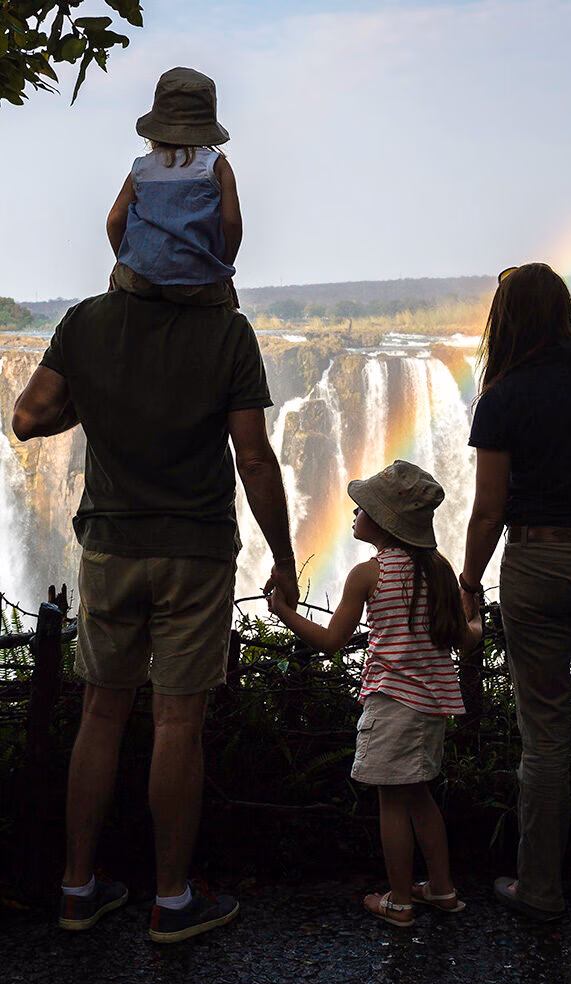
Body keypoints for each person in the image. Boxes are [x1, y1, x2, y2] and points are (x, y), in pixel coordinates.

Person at [12, 288, 298, 942]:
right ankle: (172, 902)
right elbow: (252, 458)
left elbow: (27, 419)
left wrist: (89, 400)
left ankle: (77, 890)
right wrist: (282, 556)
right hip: (195, 552)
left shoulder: (86, 322)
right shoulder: (228, 332)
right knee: (177, 721)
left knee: (100, 712)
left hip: (111, 547)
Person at [459, 263, 571, 921]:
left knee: (544, 734)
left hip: (538, 561)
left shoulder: (505, 397)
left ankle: (540, 888)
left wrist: (469, 580)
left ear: (507, 319)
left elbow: (488, 509)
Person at [267, 460, 481, 928]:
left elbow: (329, 641)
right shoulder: (440, 570)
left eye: (362, 508)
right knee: (420, 797)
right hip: (430, 710)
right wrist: (478, 616)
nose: (354, 513)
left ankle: (400, 902)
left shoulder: (369, 574)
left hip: (391, 704)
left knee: (391, 803)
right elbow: (466, 639)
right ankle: (442, 888)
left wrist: (283, 612)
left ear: (383, 522)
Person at [106, 66, 241, 308]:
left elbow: (115, 220)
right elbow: (231, 224)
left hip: (140, 278)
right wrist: (223, 270)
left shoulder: (141, 168)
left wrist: (125, 262)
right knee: (232, 321)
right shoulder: (217, 166)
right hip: (196, 280)